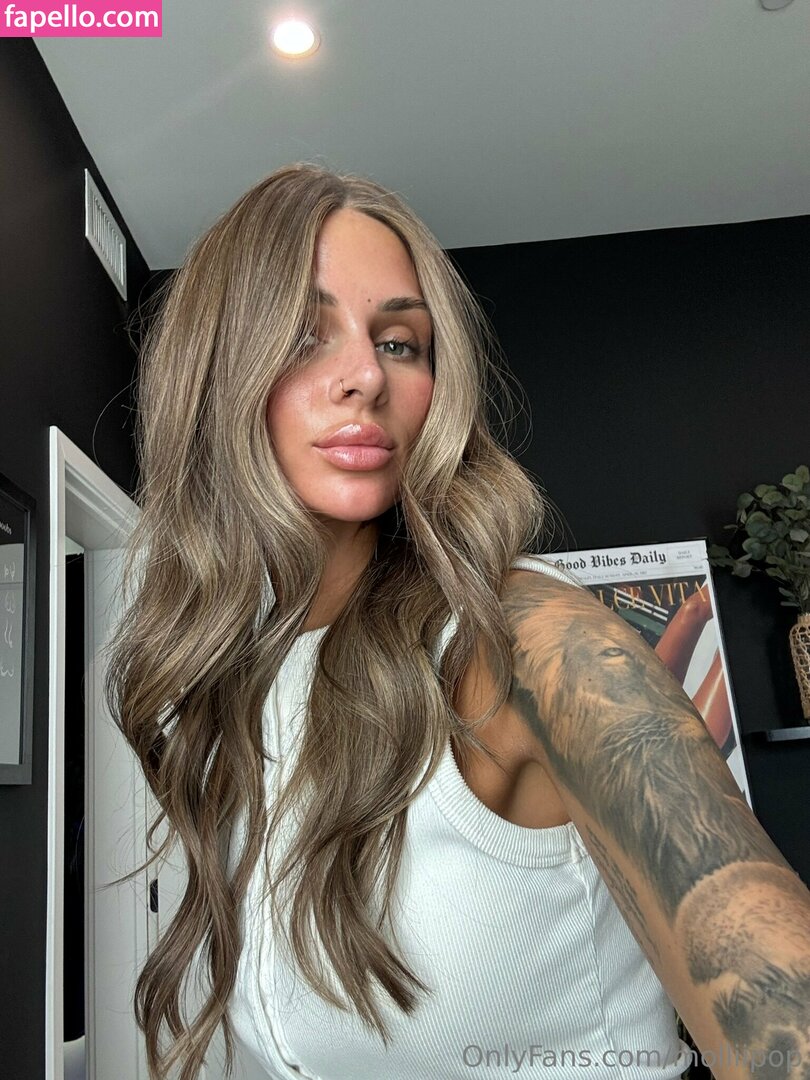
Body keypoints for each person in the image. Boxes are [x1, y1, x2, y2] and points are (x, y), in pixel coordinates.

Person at [106, 163, 810, 1080]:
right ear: (215, 370)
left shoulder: (526, 640)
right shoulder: (225, 685)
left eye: (401, 342)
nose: (366, 375)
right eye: (304, 334)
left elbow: (783, 1024)